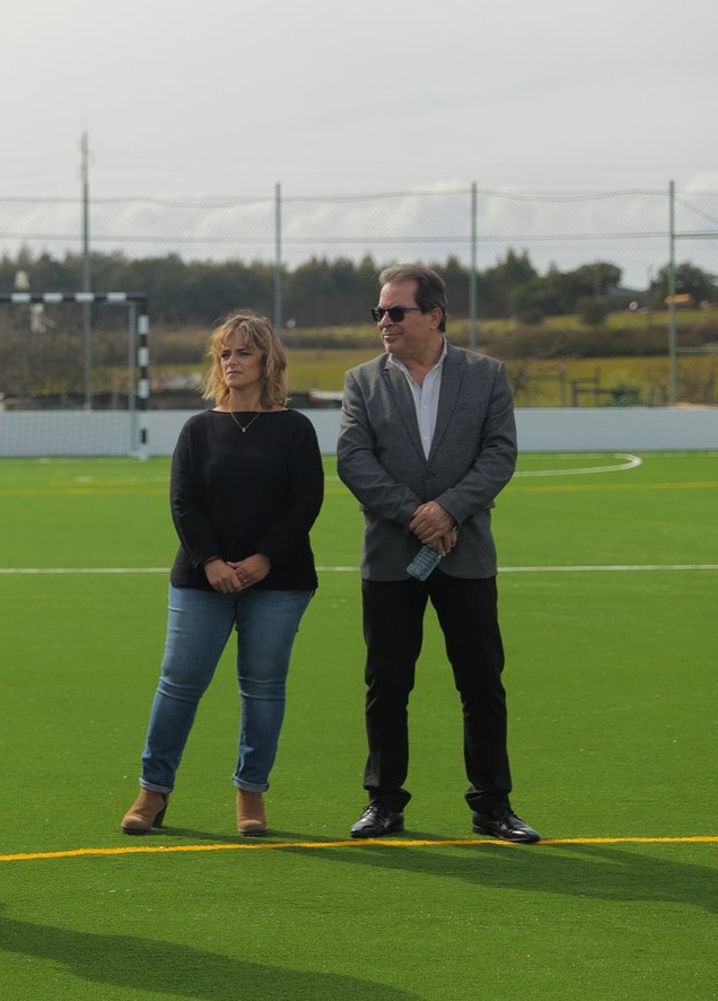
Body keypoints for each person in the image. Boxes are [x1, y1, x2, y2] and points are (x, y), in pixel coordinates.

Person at [337, 263, 539, 844]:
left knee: (481, 683)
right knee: (387, 683)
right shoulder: (361, 381)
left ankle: (493, 805)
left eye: (396, 312)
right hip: (390, 558)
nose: (385, 322)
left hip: (466, 553)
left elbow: (499, 455)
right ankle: (384, 802)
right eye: (379, 312)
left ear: (434, 315)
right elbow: (354, 460)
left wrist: (448, 509)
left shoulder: (487, 376)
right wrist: (415, 514)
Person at [121, 311, 324, 838]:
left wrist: (264, 559)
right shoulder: (198, 429)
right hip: (200, 580)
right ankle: (152, 792)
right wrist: (211, 561)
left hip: (277, 581)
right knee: (178, 683)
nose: (232, 362)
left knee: (262, 687)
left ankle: (250, 795)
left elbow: (306, 503)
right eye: (225, 354)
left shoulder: (296, 428)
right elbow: (183, 503)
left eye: (243, 353)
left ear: (267, 360)